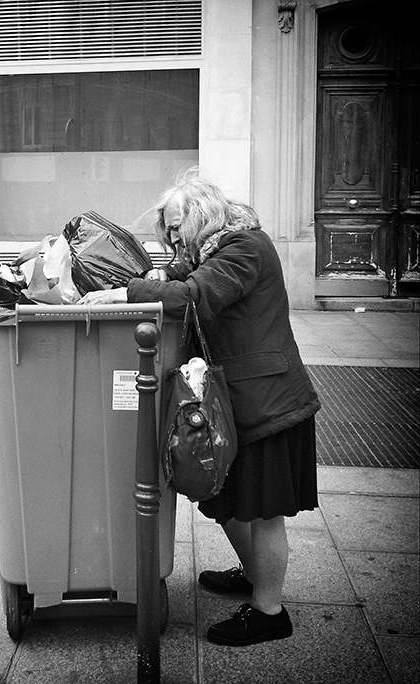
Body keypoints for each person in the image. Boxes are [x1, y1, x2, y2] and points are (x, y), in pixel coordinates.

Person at [79, 171, 321, 646]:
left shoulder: (246, 248)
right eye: (166, 230)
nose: (170, 237)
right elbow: (182, 278)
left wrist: (124, 292)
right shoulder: (210, 254)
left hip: (270, 402)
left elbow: (194, 296)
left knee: (265, 511)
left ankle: (270, 609)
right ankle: (253, 574)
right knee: (223, 498)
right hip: (236, 400)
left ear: (201, 215)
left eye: (174, 226)